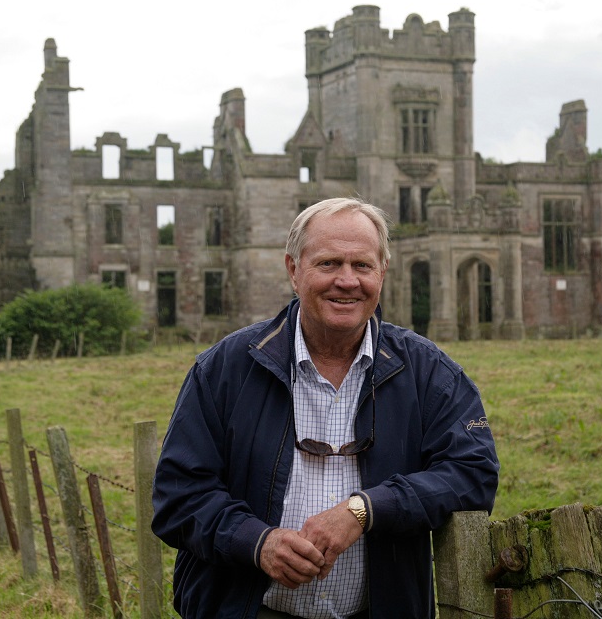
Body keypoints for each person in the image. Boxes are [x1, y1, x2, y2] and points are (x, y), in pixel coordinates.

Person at [152, 197, 500, 619]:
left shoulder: (431, 374)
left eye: (362, 266)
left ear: (383, 273)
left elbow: (473, 473)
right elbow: (178, 496)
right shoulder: (224, 370)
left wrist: (366, 510)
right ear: (293, 270)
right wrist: (257, 543)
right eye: (329, 263)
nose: (347, 281)